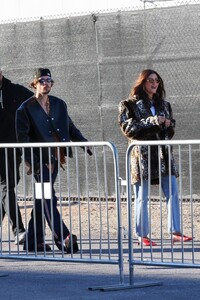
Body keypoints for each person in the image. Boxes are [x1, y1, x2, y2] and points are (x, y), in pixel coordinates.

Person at [16, 68, 92, 253]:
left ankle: (33, 242)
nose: (46, 83)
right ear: (34, 83)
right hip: (39, 162)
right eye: (42, 80)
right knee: (48, 197)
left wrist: (83, 142)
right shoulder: (25, 108)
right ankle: (64, 238)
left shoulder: (59, 104)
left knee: (42, 198)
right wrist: (33, 164)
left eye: (49, 80)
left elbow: (70, 126)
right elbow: (22, 139)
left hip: (57, 158)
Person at [118, 69, 192, 246]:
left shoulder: (164, 105)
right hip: (141, 155)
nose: (154, 83)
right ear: (142, 82)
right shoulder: (128, 104)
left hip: (163, 154)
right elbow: (128, 129)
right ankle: (142, 234)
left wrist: (167, 124)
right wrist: (152, 121)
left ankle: (176, 231)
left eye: (157, 81)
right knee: (141, 196)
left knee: (173, 192)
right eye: (150, 80)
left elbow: (170, 131)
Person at [0, 69, 33, 244]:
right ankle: (18, 230)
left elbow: (34, 102)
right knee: (7, 186)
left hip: (13, 148)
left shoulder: (15, 91)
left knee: (9, 186)